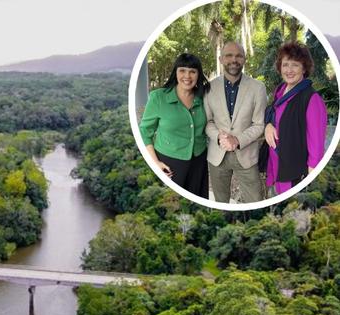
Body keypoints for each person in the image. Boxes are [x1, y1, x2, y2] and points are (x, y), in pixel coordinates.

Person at [139, 53, 211, 198]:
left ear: (198, 74)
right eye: (182, 70)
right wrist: (155, 162)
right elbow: (145, 132)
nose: (187, 76)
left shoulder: (204, 97)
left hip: (198, 161)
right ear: (175, 73)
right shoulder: (158, 97)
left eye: (192, 71)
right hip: (168, 163)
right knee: (171, 204)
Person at [204, 41, 266, 203]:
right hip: (217, 155)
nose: (234, 59)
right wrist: (219, 137)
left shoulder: (258, 88)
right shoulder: (209, 87)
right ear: (221, 59)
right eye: (229, 55)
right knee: (221, 202)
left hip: (246, 155)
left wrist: (238, 140)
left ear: (244, 59)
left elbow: (259, 124)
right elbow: (208, 122)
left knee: (255, 201)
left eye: (239, 56)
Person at [264, 42, 327, 195]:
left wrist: (310, 179)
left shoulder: (311, 98)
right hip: (278, 165)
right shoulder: (281, 92)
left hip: (294, 173)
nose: (289, 70)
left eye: (295, 65)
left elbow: (316, 147)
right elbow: (273, 115)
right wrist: (268, 126)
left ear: (304, 68)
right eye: (285, 64)